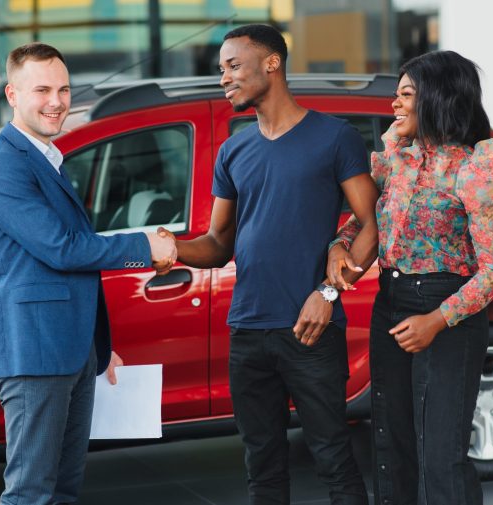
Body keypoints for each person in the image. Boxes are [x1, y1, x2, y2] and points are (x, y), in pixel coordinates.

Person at [162, 24, 379, 505]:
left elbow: (372, 225)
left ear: (272, 64)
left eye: (233, 66)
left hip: (311, 331)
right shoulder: (234, 149)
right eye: (221, 69)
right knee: (261, 466)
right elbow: (218, 243)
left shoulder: (334, 136)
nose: (224, 78)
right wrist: (163, 247)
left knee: (333, 459)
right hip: (248, 331)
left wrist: (327, 294)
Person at [0, 42, 176, 505]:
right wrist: (146, 246)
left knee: (62, 489)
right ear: (12, 94)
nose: (57, 101)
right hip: (34, 354)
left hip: (67, 349)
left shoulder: (45, 157)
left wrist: (96, 345)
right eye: (42, 89)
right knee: (29, 492)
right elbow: (62, 249)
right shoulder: (4, 165)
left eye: (63, 89)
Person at [327, 50, 493, 505]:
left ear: (438, 97)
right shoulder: (397, 159)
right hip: (390, 301)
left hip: (447, 311)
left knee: (441, 453)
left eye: (406, 94)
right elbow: (364, 219)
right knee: (392, 443)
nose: (395, 103)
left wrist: (437, 320)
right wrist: (338, 245)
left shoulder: (476, 169)